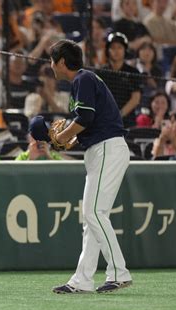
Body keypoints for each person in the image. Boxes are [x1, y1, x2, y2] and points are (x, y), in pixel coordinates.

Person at [35, 39, 132, 294]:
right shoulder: (83, 81)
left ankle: (118, 273)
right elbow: (87, 122)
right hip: (101, 149)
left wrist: (64, 136)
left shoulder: (82, 79)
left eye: (52, 60)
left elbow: (85, 117)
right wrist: (69, 138)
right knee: (92, 218)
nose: (51, 65)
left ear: (62, 62)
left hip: (108, 148)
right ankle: (82, 280)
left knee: (94, 214)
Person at [96, 32, 142, 128]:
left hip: (127, 122)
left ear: (125, 50)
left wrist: (119, 115)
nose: (116, 51)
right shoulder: (100, 72)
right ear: (108, 50)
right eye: (113, 47)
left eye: (119, 47)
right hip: (104, 120)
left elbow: (136, 99)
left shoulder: (133, 72)